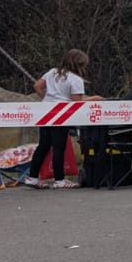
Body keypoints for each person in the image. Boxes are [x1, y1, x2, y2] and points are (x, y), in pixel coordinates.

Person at [23, 49, 98, 189]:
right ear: (79, 65)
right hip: (62, 114)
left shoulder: (52, 72)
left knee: (44, 145)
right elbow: (77, 101)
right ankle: (59, 180)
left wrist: (47, 98)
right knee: (59, 147)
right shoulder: (76, 80)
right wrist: (95, 98)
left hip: (46, 111)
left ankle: (32, 177)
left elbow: (37, 86)